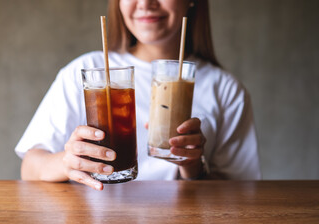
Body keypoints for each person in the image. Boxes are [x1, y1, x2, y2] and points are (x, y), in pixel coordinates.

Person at [15, 0, 261, 190]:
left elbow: (241, 191)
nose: (145, 2)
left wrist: (194, 168)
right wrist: (66, 162)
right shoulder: (86, 72)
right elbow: (30, 167)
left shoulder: (226, 89)